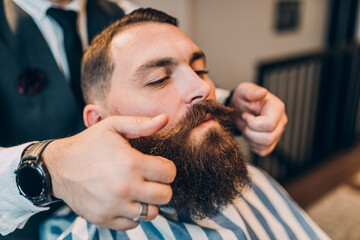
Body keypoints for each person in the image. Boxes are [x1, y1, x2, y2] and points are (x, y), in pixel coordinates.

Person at [0, 0, 287, 237]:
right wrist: (48, 169)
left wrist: (226, 104)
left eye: (201, 70)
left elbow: (172, 71)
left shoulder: (120, 11)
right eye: (158, 79)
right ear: (95, 119)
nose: (201, 86)